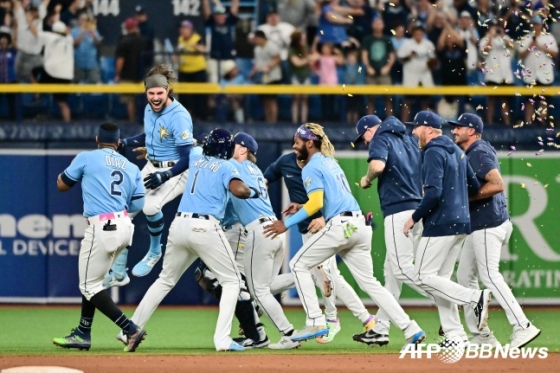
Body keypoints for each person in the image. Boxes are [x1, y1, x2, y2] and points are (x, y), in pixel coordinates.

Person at [263, 123, 426, 349]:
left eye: (298, 141)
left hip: (340, 225)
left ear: (309, 143)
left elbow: (318, 203)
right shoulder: (331, 162)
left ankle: (315, 321)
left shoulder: (310, 167)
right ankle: (411, 328)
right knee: (371, 284)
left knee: (298, 264)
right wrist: (301, 206)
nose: (294, 145)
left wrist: (286, 224)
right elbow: (328, 198)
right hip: (358, 225)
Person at [123, 128, 259, 352]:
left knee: (165, 280)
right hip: (205, 227)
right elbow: (240, 190)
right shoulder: (227, 166)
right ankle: (222, 339)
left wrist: (153, 151)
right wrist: (253, 191)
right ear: (225, 149)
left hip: (179, 225)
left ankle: (129, 329)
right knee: (232, 282)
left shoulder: (196, 155)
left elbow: (181, 149)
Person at [264, 144, 377, 345]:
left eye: (299, 141)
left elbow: (335, 197)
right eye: (294, 141)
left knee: (325, 276)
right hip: (308, 228)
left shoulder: (321, 164)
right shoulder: (286, 162)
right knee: (328, 276)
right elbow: (266, 178)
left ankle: (332, 320)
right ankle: (366, 319)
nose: (295, 145)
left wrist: (324, 219)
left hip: (328, 226)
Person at [52, 122, 147, 353]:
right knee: (93, 282)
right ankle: (83, 333)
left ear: (97, 139)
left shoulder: (87, 157)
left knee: (88, 285)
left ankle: (130, 329)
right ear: (117, 143)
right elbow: (138, 203)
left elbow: (62, 185)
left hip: (102, 227)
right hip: (125, 226)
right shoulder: (131, 167)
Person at [450, 113, 542, 349]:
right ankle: (482, 336)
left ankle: (523, 326)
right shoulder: (473, 151)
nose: (453, 130)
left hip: (488, 224)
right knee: (464, 277)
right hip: (482, 224)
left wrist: (466, 197)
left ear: (471, 131)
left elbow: (497, 184)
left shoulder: (478, 151)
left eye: (458, 127)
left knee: (489, 275)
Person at [103, 65, 194, 287]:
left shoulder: (179, 116)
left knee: (151, 207)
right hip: (152, 167)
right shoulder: (148, 109)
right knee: (121, 214)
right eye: (151, 93)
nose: (155, 97)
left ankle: (154, 251)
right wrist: (126, 142)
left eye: (159, 93)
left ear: (168, 91)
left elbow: (188, 157)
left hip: (176, 171)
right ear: (146, 92)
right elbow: (150, 134)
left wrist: (165, 175)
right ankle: (119, 272)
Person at [403, 111, 489, 344]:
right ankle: (456, 334)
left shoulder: (433, 151)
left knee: (421, 275)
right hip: (461, 222)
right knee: (441, 279)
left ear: (429, 129)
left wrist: (414, 216)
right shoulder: (459, 152)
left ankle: (474, 297)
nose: (413, 131)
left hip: (441, 222)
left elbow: (433, 193)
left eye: (416, 127)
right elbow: (473, 186)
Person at [354, 115, 432, 347]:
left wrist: (367, 179)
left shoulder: (381, 137)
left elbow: (377, 166)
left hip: (399, 212)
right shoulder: (409, 140)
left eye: (364, 136)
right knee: (392, 274)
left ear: (370, 129)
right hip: (417, 210)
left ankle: (458, 298)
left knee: (402, 270)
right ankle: (380, 328)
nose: (366, 142)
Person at [228, 132, 298, 349]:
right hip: (275, 230)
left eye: (233, 145)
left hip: (259, 231)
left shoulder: (232, 165)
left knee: (258, 290)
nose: (229, 148)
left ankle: (289, 333)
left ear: (242, 150)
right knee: (264, 288)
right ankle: (304, 276)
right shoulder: (255, 169)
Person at [518, 15, 558, 126]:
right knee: (529, 101)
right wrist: (531, 45)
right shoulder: (526, 38)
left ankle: (542, 123)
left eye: (538, 24)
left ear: (541, 25)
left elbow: (555, 53)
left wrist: (541, 47)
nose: (536, 26)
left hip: (545, 75)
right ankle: (528, 124)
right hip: (530, 75)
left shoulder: (549, 38)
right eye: (534, 24)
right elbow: (521, 54)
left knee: (543, 100)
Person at [35, 20, 73, 123]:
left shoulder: (49, 37)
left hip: (51, 73)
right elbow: (67, 31)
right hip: (66, 76)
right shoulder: (69, 39)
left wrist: (32, 21)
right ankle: (68, 126)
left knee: (33, 72)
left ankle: (37, 97)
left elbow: (35, 32)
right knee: (62, 103)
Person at [114, 17, 144, 123]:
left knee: (129, 100)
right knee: (140, 100)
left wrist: (117, 74)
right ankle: (140, 122)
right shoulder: (140, 40)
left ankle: (132, 123)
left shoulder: (124, 42)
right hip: (140, 75)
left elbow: (120, 60)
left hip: (127, 75)